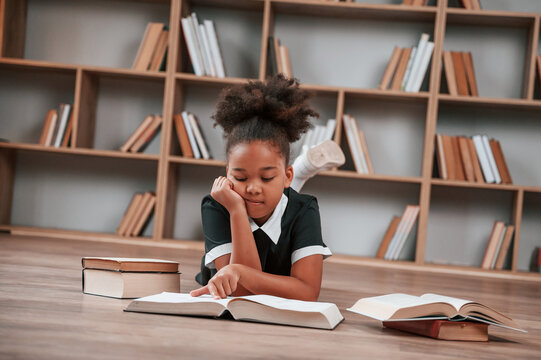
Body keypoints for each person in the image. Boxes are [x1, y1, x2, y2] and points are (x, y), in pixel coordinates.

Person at [191, 75, 344, 301]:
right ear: (227, 174)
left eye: (267, 176)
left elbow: (308, 293)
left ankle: (296, 174)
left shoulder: (305, 208)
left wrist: (238, 273)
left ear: (286, 176)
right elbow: (240, 293)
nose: (252, 188)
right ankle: (293, 172)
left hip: (288, 195)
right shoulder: (217, 205)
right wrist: (236, 210)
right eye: (240, 178)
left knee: (287, 201)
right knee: (273, 197)